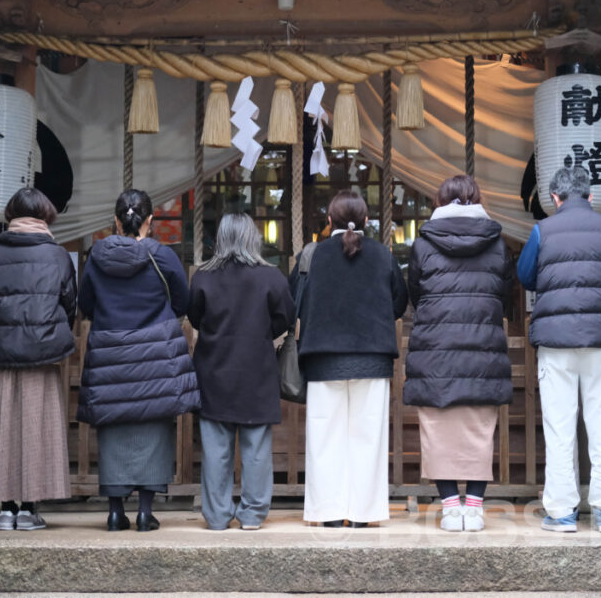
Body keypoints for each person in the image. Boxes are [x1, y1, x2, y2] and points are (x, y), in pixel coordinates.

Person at [76, 189, 199, 532]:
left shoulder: (97, 257)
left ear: (116, 221)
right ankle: (145, 511)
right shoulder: (163, 257)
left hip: (109, 353)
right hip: (155, 354)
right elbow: (183, 301)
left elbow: (85, 303)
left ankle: (115, 511)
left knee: (113, 426)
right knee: (153, 426)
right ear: (149, 221)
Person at [517, 165, 601, 533]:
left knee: (560, 426)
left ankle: (562, 512)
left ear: (554, 199)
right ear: (591, 196)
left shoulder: (541, 230)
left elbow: (525, 275)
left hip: (556, 340)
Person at [290, 190, 408, 528]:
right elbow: (399, 302)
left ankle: (327, 512)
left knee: (325, 439)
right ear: (367, 221)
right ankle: (362, 514)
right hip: (372, 359)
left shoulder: (312, 256)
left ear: (329, 222)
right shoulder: (383, 256)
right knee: (367, 439)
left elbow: (291, 300)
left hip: (322, 360)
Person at [403, 175, 513, 533]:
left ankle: (451, 508)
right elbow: (504, 291)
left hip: (436, 351)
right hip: (483, 349)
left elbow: (416, 294)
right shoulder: (496, 242)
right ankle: (476, 509)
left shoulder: (424, 243)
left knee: (437, 428)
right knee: (480, 428)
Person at [188, 213, 295, 530]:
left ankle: (218, 516)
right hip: (257, 370)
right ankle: (252, 514)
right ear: (253, 238)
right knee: (256, 450)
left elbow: (196, 318)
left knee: (216, 451)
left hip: (213, 369)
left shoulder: (204, 277)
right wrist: (262, 332)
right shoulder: (271, 277)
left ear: (220, 239)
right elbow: (285, 317)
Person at [0, 187, 76, 532]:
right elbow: (70, 306)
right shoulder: (59, 255)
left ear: (11, 217)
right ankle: (30, 509)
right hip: (42, 352)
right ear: (45, 216)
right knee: (35, 427)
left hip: (1, 352)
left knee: (4, 427)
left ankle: (5, 509)